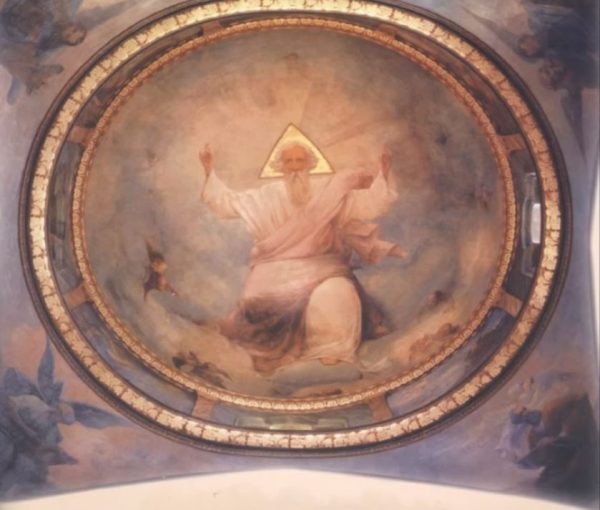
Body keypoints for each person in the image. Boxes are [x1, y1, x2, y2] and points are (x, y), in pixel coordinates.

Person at [199, 141, 405, 373]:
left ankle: (330, 354)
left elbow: (366, 205)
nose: (295, 167)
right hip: (274, 267)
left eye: (300, 161)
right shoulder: (267, 196)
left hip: (322, 264)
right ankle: (278, 358)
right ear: (280, 166)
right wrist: (208, 170)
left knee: (338, 293)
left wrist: (383, 172)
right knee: (257, 301)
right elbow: (227, 204)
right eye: (289, 161)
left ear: (310, 164)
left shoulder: (328, 192)